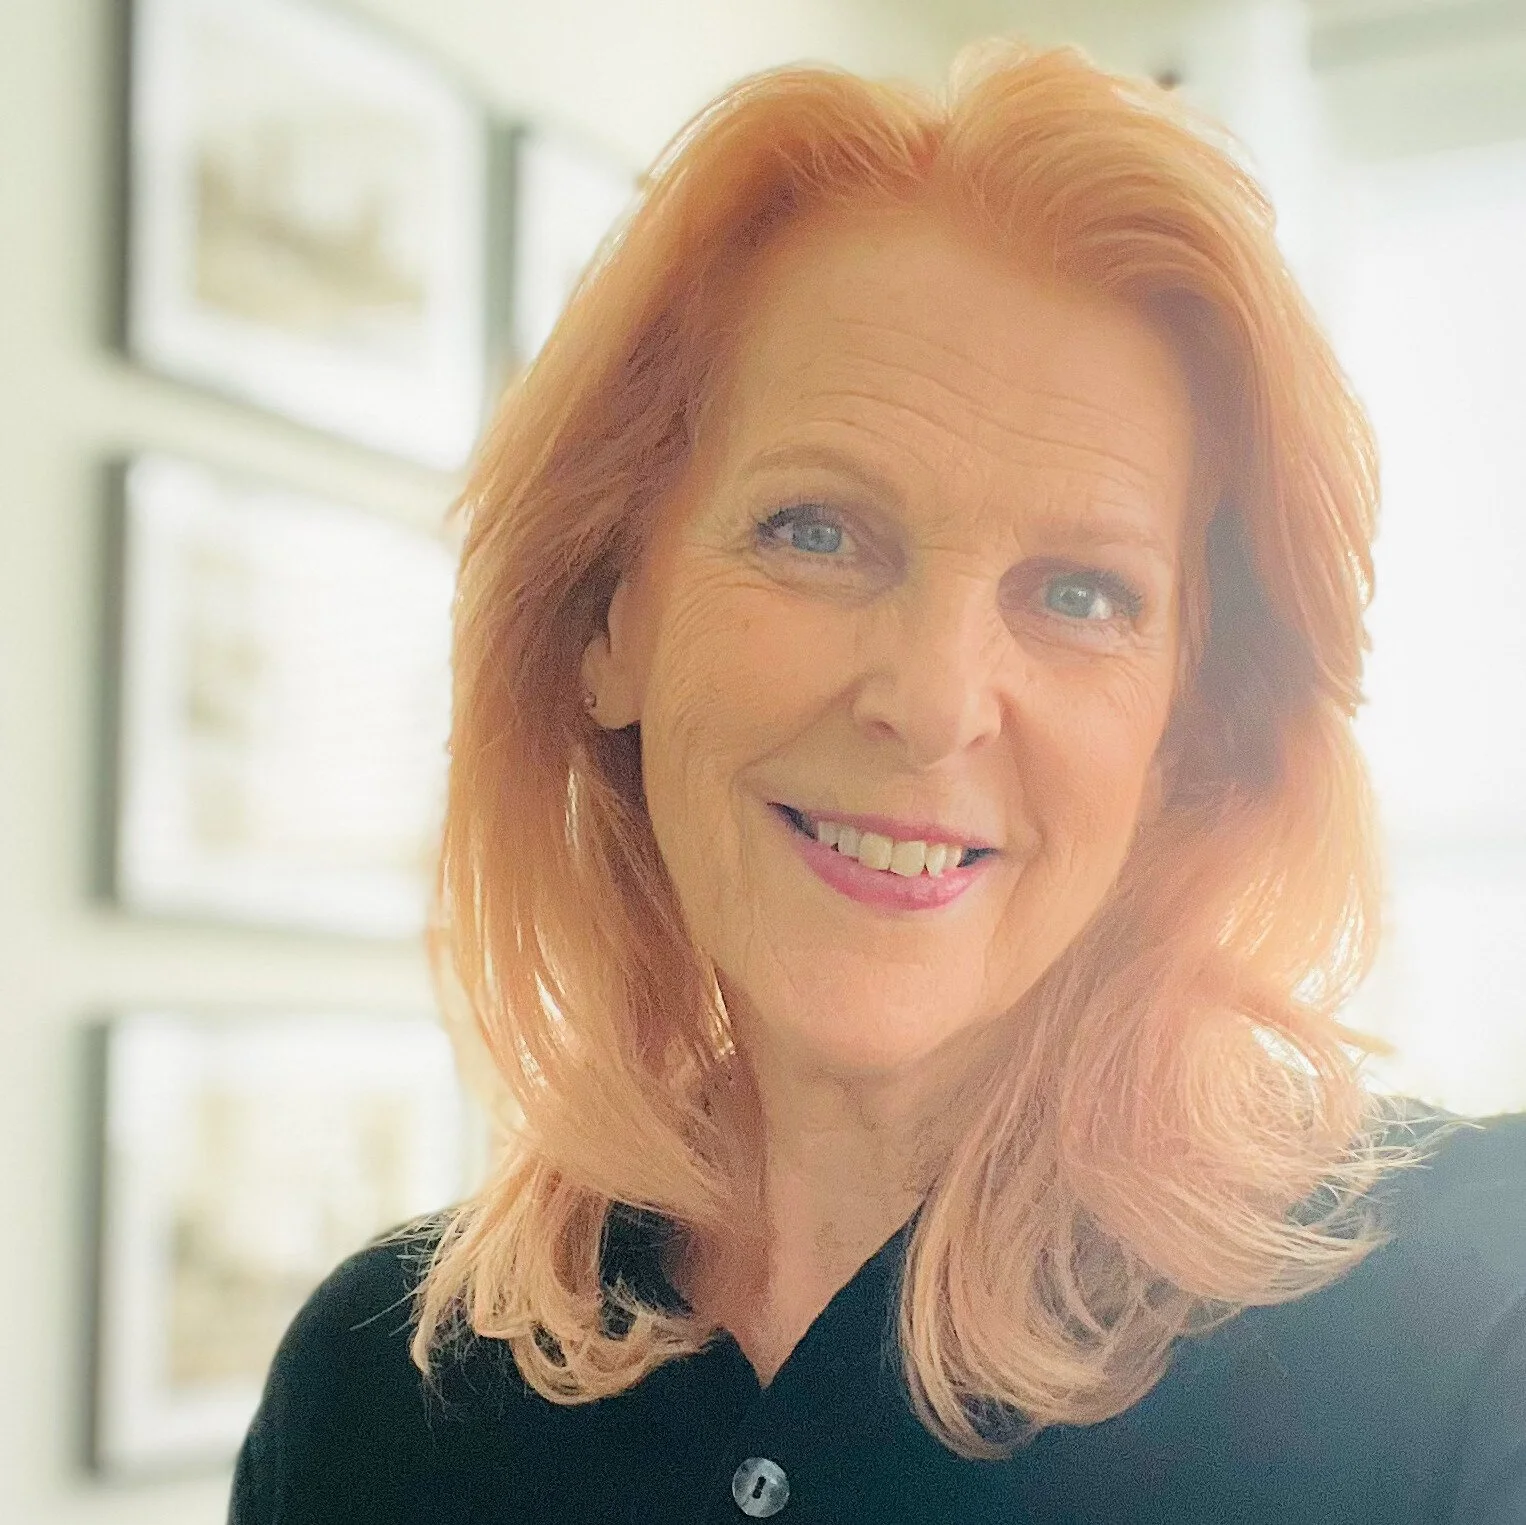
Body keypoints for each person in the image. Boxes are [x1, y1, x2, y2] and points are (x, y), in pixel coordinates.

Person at [230, 41, 1526, 1525]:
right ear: (606, 621)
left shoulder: (1476, 1328)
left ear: (1187, 732)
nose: (929, 701)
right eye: (814, 530)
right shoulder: (376, 1393)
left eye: (1083, 595)